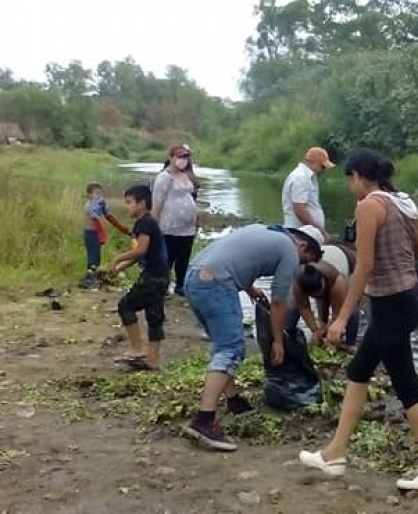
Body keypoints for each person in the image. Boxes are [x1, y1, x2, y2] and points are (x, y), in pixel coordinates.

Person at [299, 148, 418, 494]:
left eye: (350, 180)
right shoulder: (405, 204)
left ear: (358, 176)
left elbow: (364, 267)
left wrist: (341, 318)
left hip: (390, 305)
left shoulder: (369, 207)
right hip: (406, 301)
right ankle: (335, 453)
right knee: (358, 371)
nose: (351, 187)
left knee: (407, 388)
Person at [183, 224, 323, 451]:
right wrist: (278, 341)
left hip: (194, 278)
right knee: (232, 349)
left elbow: (235, 254)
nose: (301, 267)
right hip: (216, 283)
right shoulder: (289, 250)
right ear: (303, 245)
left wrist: (248, 288)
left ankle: (235, 401)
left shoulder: (266, 230)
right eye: (305, 260)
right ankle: (204, 420)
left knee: (222, 346)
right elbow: (279, 302)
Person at [110, 185, 170, 371]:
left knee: (125, 306)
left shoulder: (144, 223)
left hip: (153, 276)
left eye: (129, 202)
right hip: (161, 275)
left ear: (142, 203)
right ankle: (152, 360)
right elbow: (141, 255)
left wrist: (117, 259)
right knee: (154, 316)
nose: (126, 207)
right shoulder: (149, 222)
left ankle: (137, 349)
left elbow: (140, 250)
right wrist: (119, 268)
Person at [293, 241, 361, 353]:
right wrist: (316, 330)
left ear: (323, 282)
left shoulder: (336, 280)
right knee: (321, 311)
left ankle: (350, 344)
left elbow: (338, 313)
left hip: (349, 260)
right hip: (323, 269)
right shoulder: (297, 283)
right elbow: (303, 308)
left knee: (351, 307)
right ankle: (324, 335)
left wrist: (331, 331)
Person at [152, 144, 199, 297]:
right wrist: (153, 227)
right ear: (171, 158)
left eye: (185, 157)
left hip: (188, 229)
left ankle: (180, 286)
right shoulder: (164, 177)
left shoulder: (187, 175)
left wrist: (196, 222)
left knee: (183, 259)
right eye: (179, 157)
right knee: (167, 258)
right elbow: (157, 202)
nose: (183, 160)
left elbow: (192, 198)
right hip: (168, 227)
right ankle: (162, 286)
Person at [80, 182, 131, 289]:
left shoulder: (100, 204)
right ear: (89, 195)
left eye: (101, 193)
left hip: (95, 233)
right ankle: (89, 279)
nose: (100, 196)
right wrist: (102, 234)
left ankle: (93, 277)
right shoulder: (90, 206)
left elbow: (108, 216)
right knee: (93, 256)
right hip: (91, 234)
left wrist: (122, 228)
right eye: (96, 193)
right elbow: (95, 221)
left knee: (97, 257)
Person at [282, 147, 335, 237]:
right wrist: (320, 231)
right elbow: (300, 209)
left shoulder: (308, 178)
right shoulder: (300, 178)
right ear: (313, 162)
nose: (324, 170)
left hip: (306, 233)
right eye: (322, 166)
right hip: (300, 234)